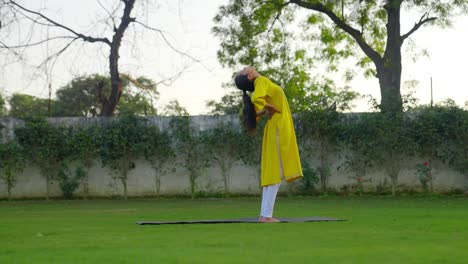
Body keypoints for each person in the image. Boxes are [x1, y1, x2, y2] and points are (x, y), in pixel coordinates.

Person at [234, 66, 303, 223]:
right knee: (274, 173)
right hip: (278, 129)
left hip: (276, 129)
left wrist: (265, 110)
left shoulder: (262, 82)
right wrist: (266, 107)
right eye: (245, 69)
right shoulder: (262, 81)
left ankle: (264, 215)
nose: (247, 67)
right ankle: (266, 216)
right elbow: (257, 99)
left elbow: (256, 105)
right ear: (250, 75)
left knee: (273, 171)